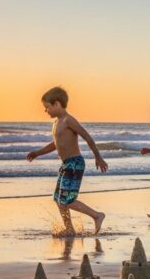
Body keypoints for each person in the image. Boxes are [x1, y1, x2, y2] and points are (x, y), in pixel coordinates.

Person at [27, 86, 109, 235]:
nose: (46, 111)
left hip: (75, 164)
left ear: (57, 104)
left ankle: (97, 215)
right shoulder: (56, 123)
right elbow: (55, 144)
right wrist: (37, 153)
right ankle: (69, 228)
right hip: (67, 165)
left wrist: (98, 157)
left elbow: (87, 136)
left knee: (67, 200)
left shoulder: (68, 120)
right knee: (58, 198)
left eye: (47, 107)